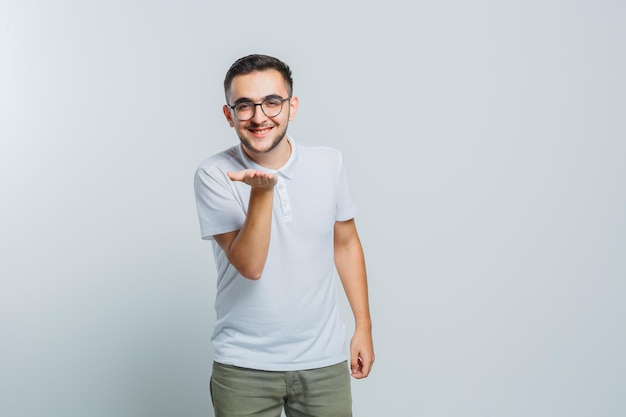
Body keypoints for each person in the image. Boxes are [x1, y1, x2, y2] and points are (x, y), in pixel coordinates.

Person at [193, 54, 374, 417]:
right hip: (244, 365)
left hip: (324, 360)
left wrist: (363, 326)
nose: (259, 117)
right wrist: (262, 193)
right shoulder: (214, 174)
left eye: (271, 102)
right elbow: (250, 265)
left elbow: (346, 243)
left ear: (292, 106)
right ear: (229, 115)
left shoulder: (329, 162)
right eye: (244, 105)